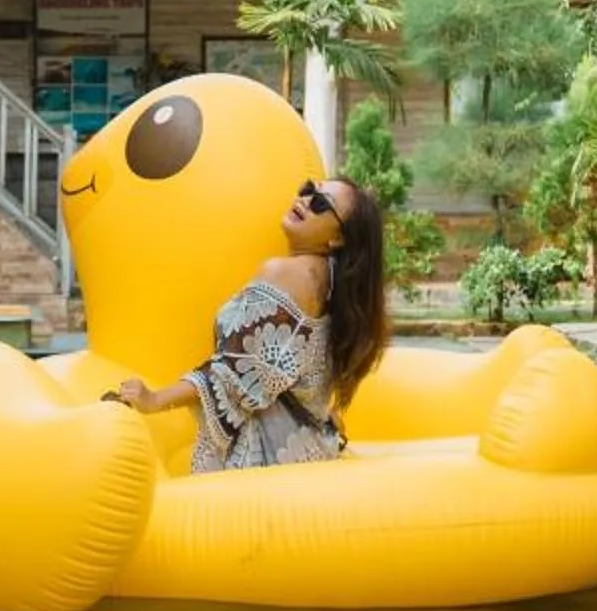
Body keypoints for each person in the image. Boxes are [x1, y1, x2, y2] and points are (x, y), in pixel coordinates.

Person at [107, 176, 389, 472]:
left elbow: (231, 376)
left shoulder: (284, 273)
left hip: (267, 466)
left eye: (320, 203)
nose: (305, 201)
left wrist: (154, 399)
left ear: (338, 238)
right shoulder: (337, 289)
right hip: (311, 453)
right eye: (307, 190)